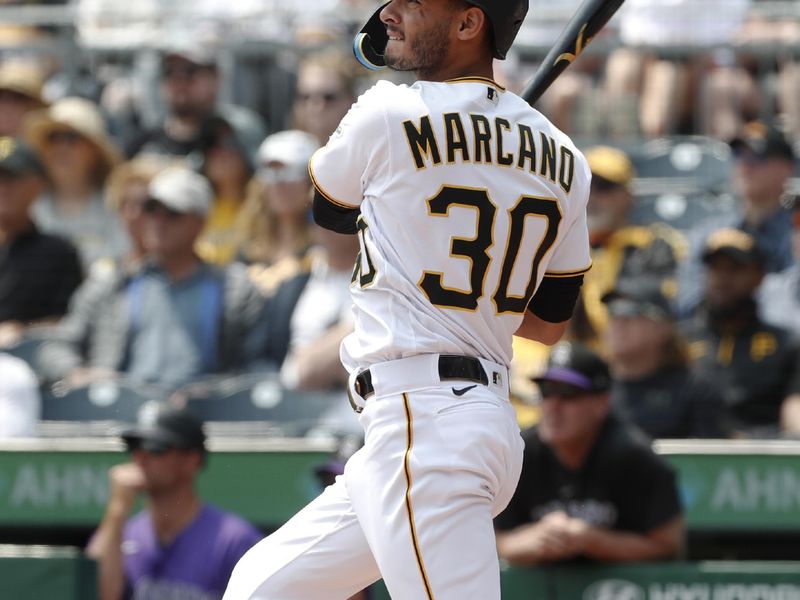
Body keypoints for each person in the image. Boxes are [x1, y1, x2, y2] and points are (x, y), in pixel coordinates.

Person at [224, 2, 593, 599]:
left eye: (414, 2)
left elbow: (331, 212)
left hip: (427, 424)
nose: (390, 10)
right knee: (259, 589)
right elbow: (549, 323)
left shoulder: (388, 111)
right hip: (455, 423)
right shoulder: (566, 157)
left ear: (470, 24)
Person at [37, 165, 266, 392]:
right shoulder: (112, 283)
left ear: (200, 222)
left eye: (173, 212)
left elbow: (259, 365)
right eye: (151, 208)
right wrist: (78, 374)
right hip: (121, 417)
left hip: (207, 419)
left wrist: (218, 391)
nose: (159, 220)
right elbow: (55, 348)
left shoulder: (235, 289)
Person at [495, 342, 685, 565]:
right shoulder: (520, 453)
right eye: (546, 392)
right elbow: (485, 536)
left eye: (568, 394)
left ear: (601, 403)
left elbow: (669, 546)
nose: (553, 406)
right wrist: (527, 541)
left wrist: (592, 541)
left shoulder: (633, 456)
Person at [86, 405, 263, 600]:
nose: (141, 457)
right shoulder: (122, 533)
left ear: (191, 461)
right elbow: (98, 594)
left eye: (155, 448)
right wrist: (117, 510)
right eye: (136, 446)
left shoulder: (233, 541)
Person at [683, 228, 800, 437]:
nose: (722, 279)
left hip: (760, 455)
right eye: (714, 268)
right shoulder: (680, 342)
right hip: (691, 451)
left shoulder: (786, 344)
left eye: (734, 269)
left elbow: (795, 410)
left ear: (759, 276)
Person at [568, 145, 685, 348]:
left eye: (604, 186)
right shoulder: (562, 246)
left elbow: (656, 312)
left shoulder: (654, 244)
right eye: (585, 185)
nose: (593, 196)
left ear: (628, 195)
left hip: (634, 355)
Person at [677, 122, 796, 316]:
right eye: (739, 155)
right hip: (716, 338)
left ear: (786, 169)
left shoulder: (795, 233)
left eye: (757, 157)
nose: (745, 166)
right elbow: (689, 300)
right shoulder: (706, 233)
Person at [603, 280, 729, 439]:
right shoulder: (591, 387)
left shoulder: (696, 390)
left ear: (664, 327)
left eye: (631, 311)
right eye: (612, 311)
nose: (619, 322)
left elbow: (707, 460)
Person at [24, 96, 130, 272]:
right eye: (53, 137)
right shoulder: (27, 203)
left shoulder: (117, 205)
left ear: (95, 150)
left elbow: (123, 261)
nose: (61, 147)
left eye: (72, 137)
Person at [0, 136, 83, 349]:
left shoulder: (58, 253)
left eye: (12, 177)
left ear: (37, 185)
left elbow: (69, 320)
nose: (4, 187)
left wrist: (23, 330)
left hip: (28, 358)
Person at [126, 37, 266, 162]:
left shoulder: (238, 137)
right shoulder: (144, 146)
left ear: (216, 78)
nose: (179, 81)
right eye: (169, 72)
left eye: (190, 71)